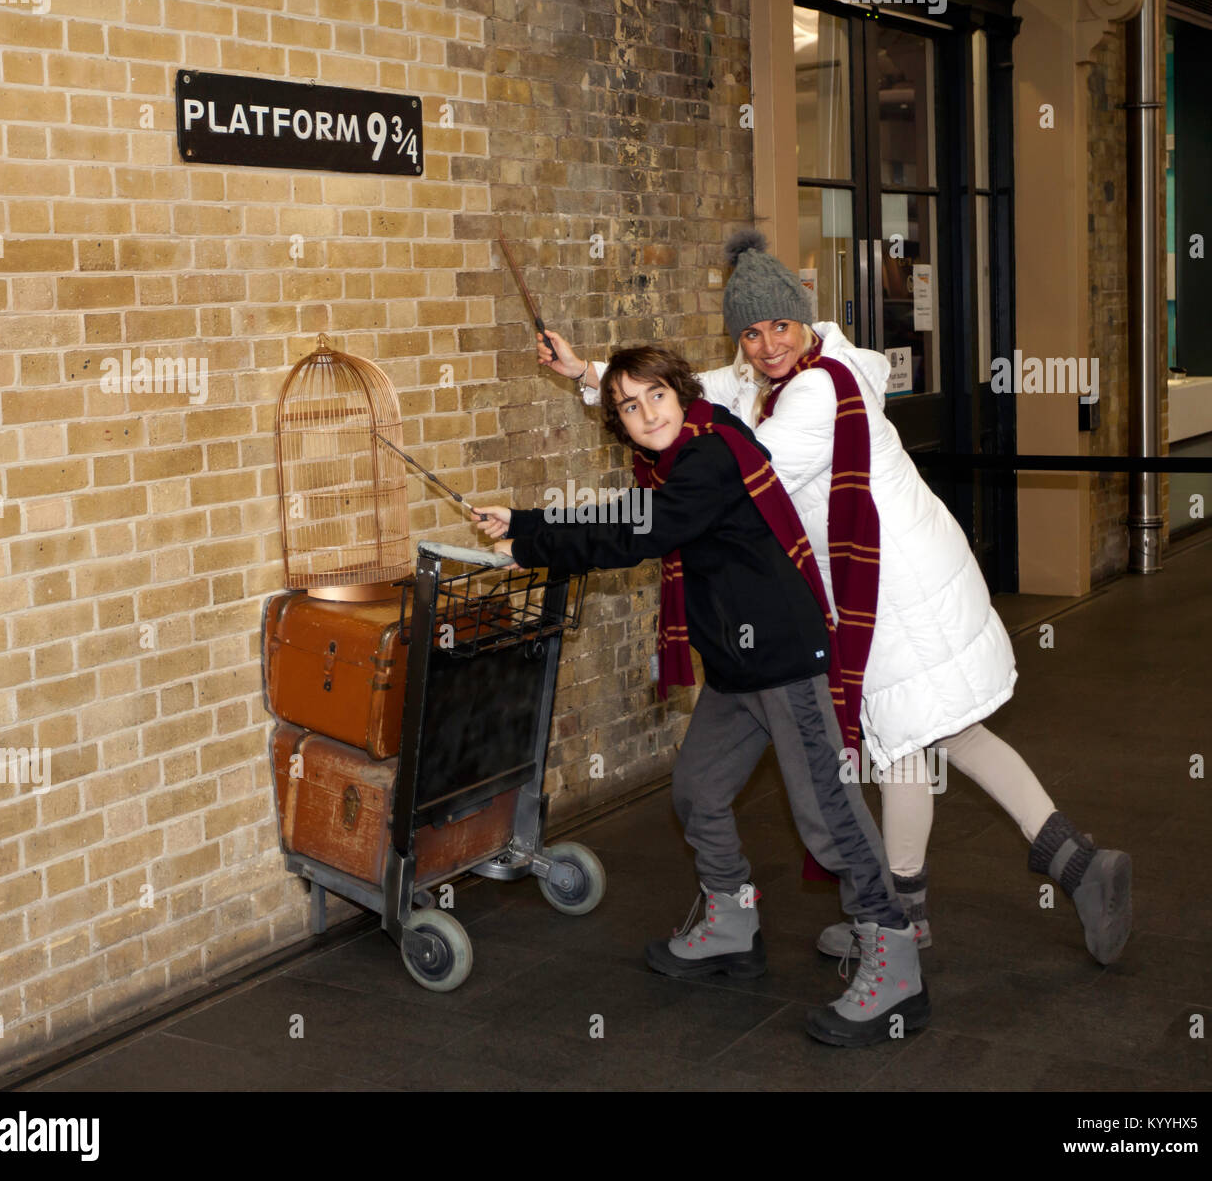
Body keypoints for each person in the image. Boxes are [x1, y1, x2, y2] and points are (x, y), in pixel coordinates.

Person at [534, 231, 1133, 968]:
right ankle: (1005, 884)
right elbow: (706, 394)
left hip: (892, 588)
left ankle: (929, 910)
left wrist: (630, 475)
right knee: (928, 740)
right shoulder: (789, 372)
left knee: (920, 741)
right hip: (887, 579)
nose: (764, 346)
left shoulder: (815, 392)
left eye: (777, 326)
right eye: (749, 333)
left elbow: (740, 467)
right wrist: (590, 373)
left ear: (802, 316)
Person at [474, 345, 930, 1047]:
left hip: (781, 657)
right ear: (620, 421)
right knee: (698, 789)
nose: (646, 412)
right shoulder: (684, 455)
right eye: (629, 405)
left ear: (680, 393)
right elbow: (634, 513)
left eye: (655, 395)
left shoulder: (713, 454)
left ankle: (895, 956)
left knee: (828, 817)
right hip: (736, 664)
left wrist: (534, 540)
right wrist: (526, 523)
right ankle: (731, 924)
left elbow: (640, 529)